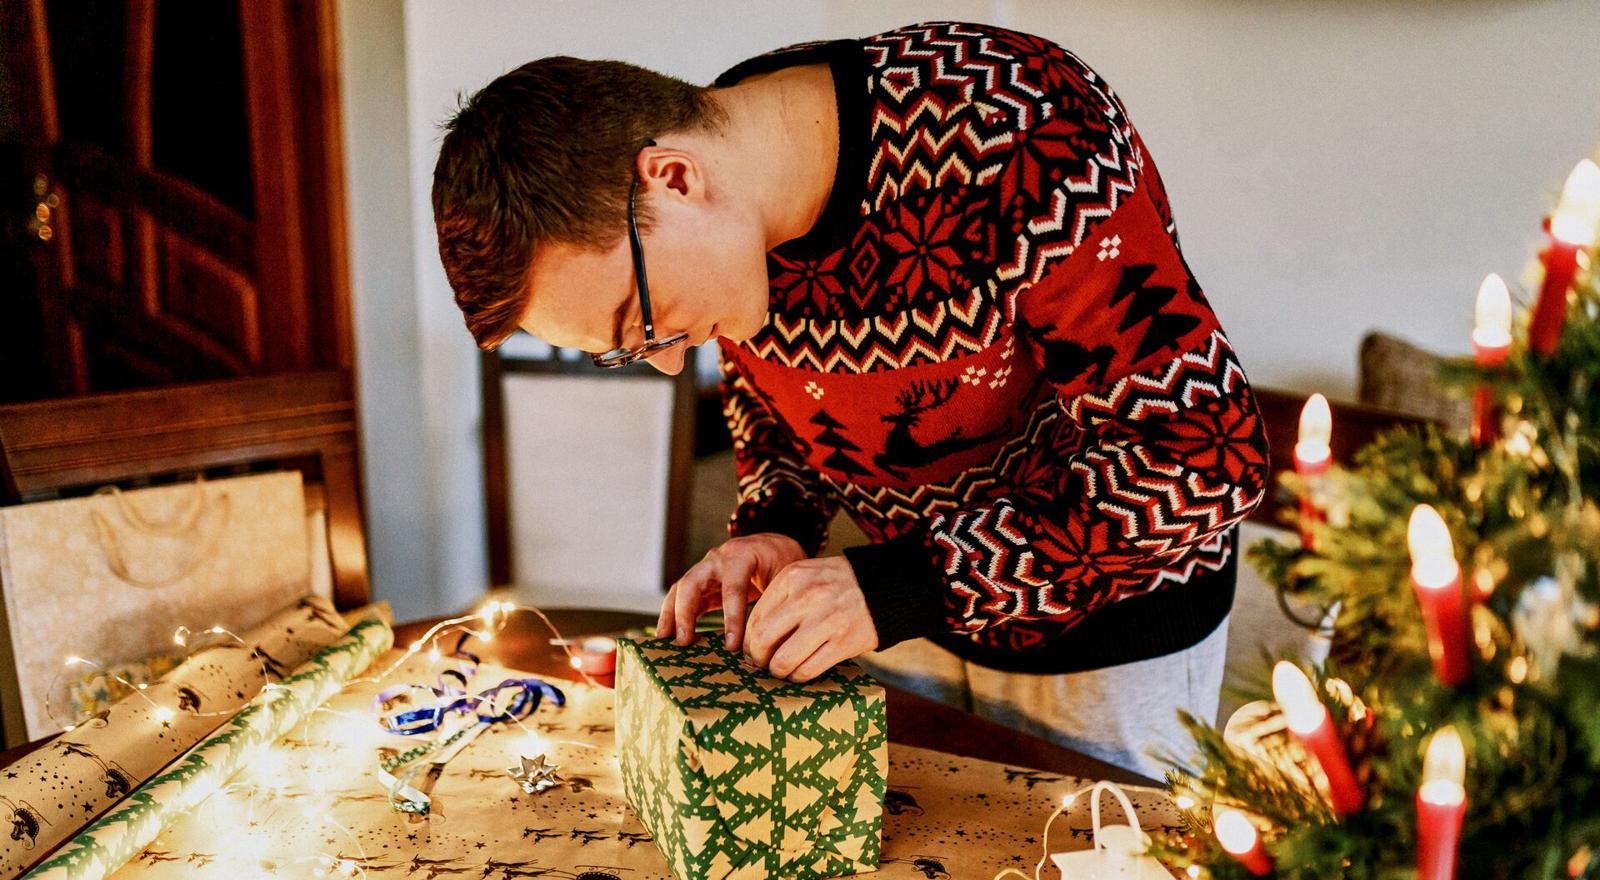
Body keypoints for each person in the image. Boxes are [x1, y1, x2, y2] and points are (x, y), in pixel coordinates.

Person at [430, 21, 1269, 778]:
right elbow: (778, 410)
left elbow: (1206, 459)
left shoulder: (1020, 131)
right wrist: (773, 525)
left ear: (673, 178)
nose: (665, 361)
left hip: (1111, 644)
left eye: (639, 322)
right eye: (624, 352)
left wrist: (905, 584)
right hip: (902, 621)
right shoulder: (730, 202)